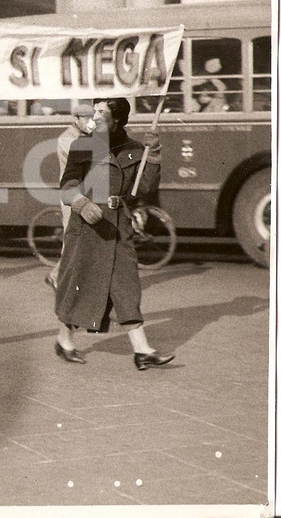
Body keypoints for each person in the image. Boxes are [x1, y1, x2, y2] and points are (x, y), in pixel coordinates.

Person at [53, 97, 174, 370]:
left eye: (101, 112)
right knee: (82, 286)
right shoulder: (82, 145)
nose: (94, 117)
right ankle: (64, 340)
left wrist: (153, 155)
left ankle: (142, 350)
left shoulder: (134, 149)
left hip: (117, 225)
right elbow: (67, 184)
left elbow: (144, 189)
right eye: (93, 111)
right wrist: (81, 204)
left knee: (126, 285)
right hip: (87, 225)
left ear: (117, 119)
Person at [45, 103, 96, 289]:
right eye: (86, 119)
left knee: (83, 239)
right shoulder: (67, 139)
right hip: (72, 195)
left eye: (93, 118)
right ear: (76, 120)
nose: (91, 123)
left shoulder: (86, 136)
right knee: (73, 237)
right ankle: (57, 276)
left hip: (86, 194)